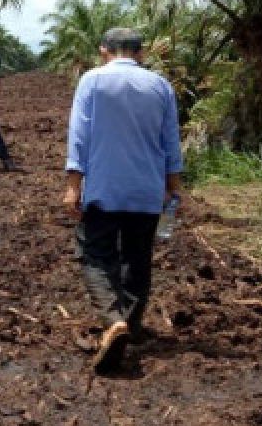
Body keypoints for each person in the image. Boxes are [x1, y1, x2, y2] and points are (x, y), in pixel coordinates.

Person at [63, 28, 183, 374]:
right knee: (137, 258)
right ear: (140, 53)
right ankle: (130, 323)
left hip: (105, 187)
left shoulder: (93, 81)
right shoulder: (160, 86)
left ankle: (114, 320)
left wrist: (73, 186)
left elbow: (79, 136)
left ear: (104, 51)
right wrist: (173, 186)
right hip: (146, 190)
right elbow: (170, 140)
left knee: (95, 254)